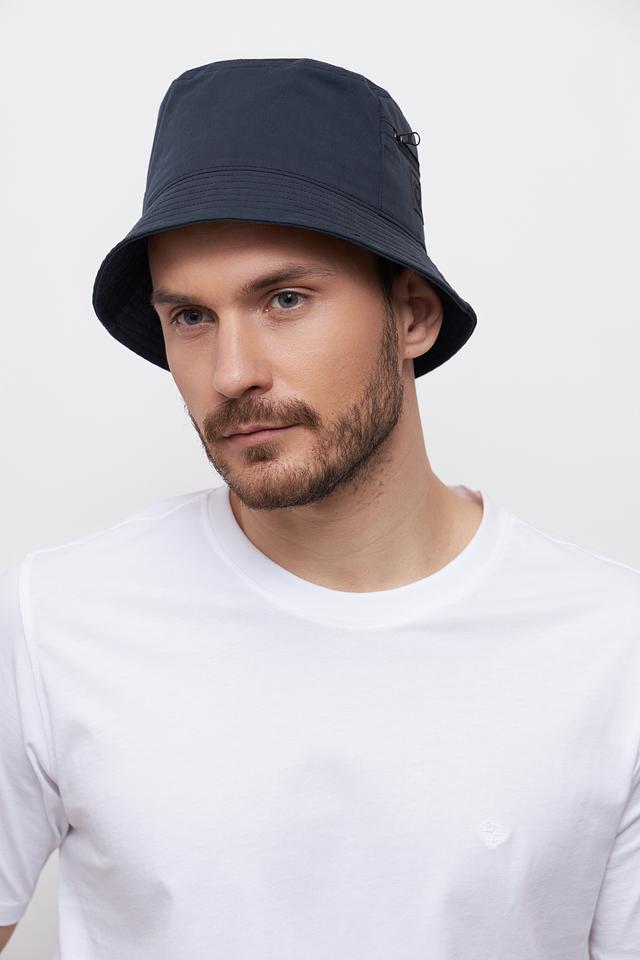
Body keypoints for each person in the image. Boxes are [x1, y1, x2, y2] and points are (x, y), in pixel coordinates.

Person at [1, 58, 638, 960]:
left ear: (412, 315)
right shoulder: (57, 621)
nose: (232, 374)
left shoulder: (611, 647)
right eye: (190, 317)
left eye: (285, 299)